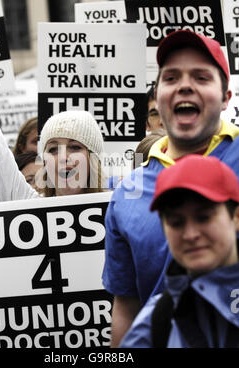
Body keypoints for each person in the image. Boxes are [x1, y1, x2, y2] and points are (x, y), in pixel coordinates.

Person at [0, 15, 106, 319]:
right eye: (53, 149)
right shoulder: (22, 208)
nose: (64, 157)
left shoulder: (116, 215)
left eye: (76, 147)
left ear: (93, 158)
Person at [103, 29, 239, 347]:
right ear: (158, 95)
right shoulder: (127, 194)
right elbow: (126, 305)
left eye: (202, 77)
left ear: (225, 98)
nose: (185, 85)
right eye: (172, 77)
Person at [120, 155, 239, 348]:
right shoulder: (157, 320)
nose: (190, 234)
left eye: (203, 218)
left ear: (236, 217)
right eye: (176, 223)